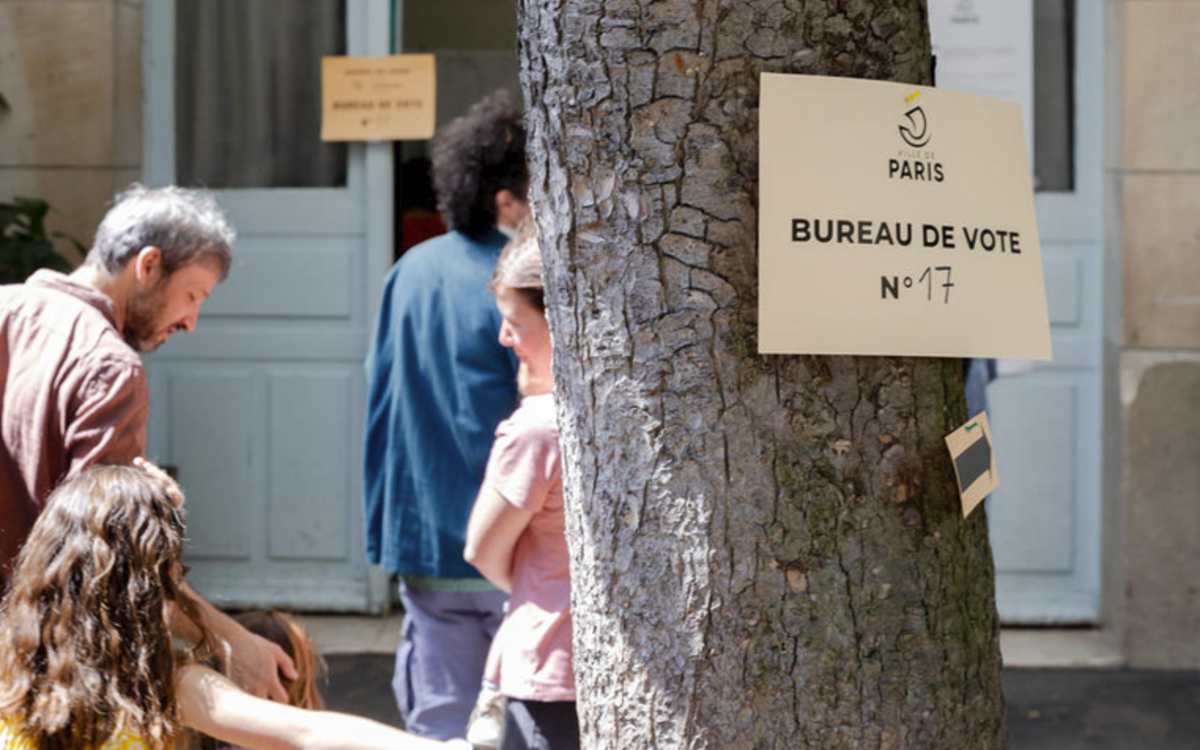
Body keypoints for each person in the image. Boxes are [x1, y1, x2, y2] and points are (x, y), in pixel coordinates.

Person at [0, 184, 297, 701]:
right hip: (31, 660)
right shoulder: (107, 365)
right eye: (193, 295)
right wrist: (231, 642)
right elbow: (105, 555)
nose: (190, 321)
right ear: (149, 264)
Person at [0, 463, 465, 750]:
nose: (178, 581)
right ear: (146, 585)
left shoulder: (11, 664)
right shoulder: (159, 684)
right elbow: (306, 734)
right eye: (172, 569)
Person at [363, 91, 529, 739]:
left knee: (438, 724)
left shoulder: (409, 269)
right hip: (505, 537)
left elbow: (385, 398)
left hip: (421, 535)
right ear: (506, 200)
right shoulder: (519, 280)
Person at [464, 228, 579, 750]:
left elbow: (483, 550)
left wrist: (540, 582)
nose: (504, 340)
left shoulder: (537, 428)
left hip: (549, 668)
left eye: (515, 324)